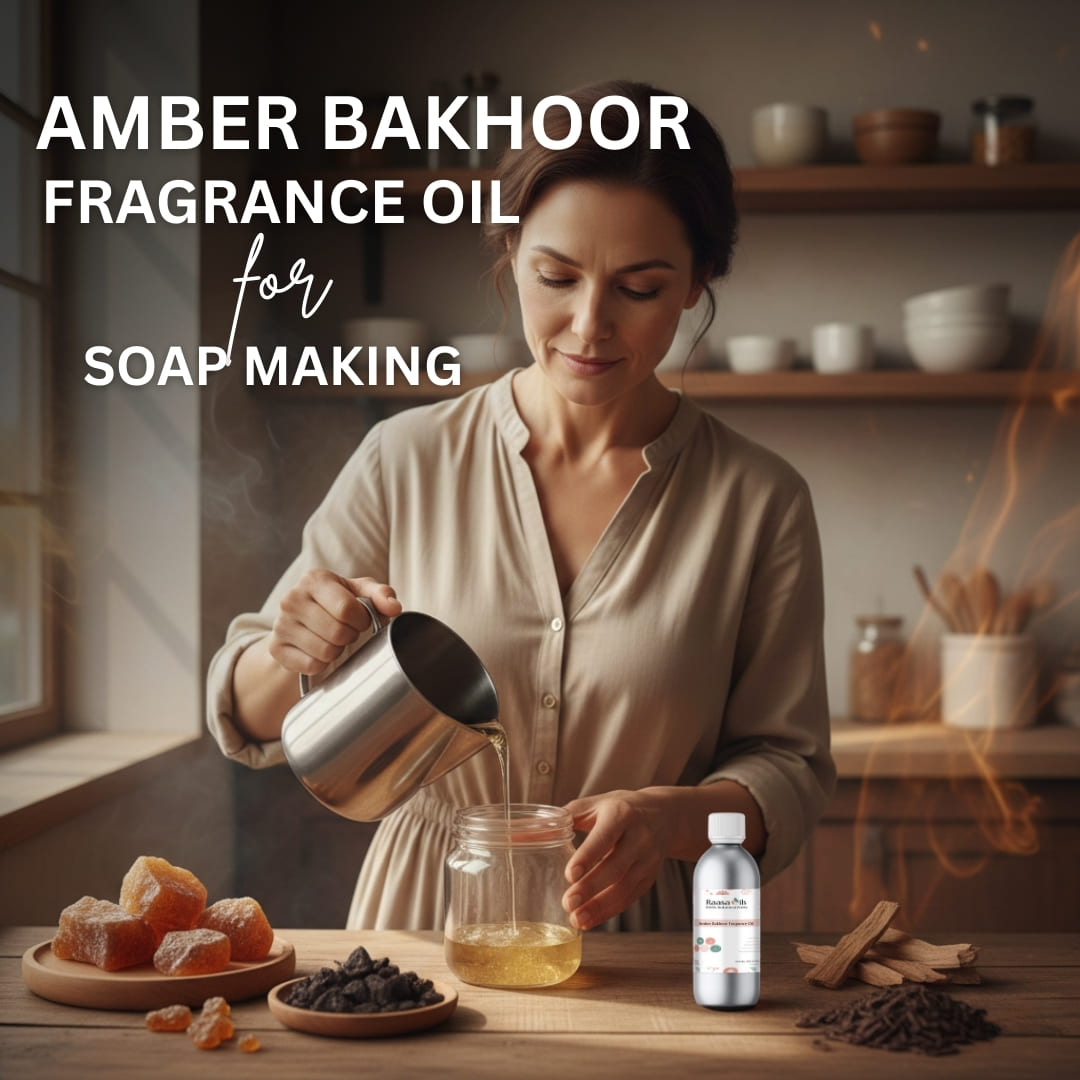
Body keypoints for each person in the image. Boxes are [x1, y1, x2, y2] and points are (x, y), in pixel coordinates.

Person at [207, 80, 835, 932]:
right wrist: (294, 649)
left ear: (699, 281)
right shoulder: (406, 457)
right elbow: (248, 713)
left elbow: (789, 769)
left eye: (639, 289)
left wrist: (673, 819)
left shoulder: (760, 502)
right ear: (509, 251)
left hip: (634, 935)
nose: (589, 325)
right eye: (556, 277)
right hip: (422, 926)